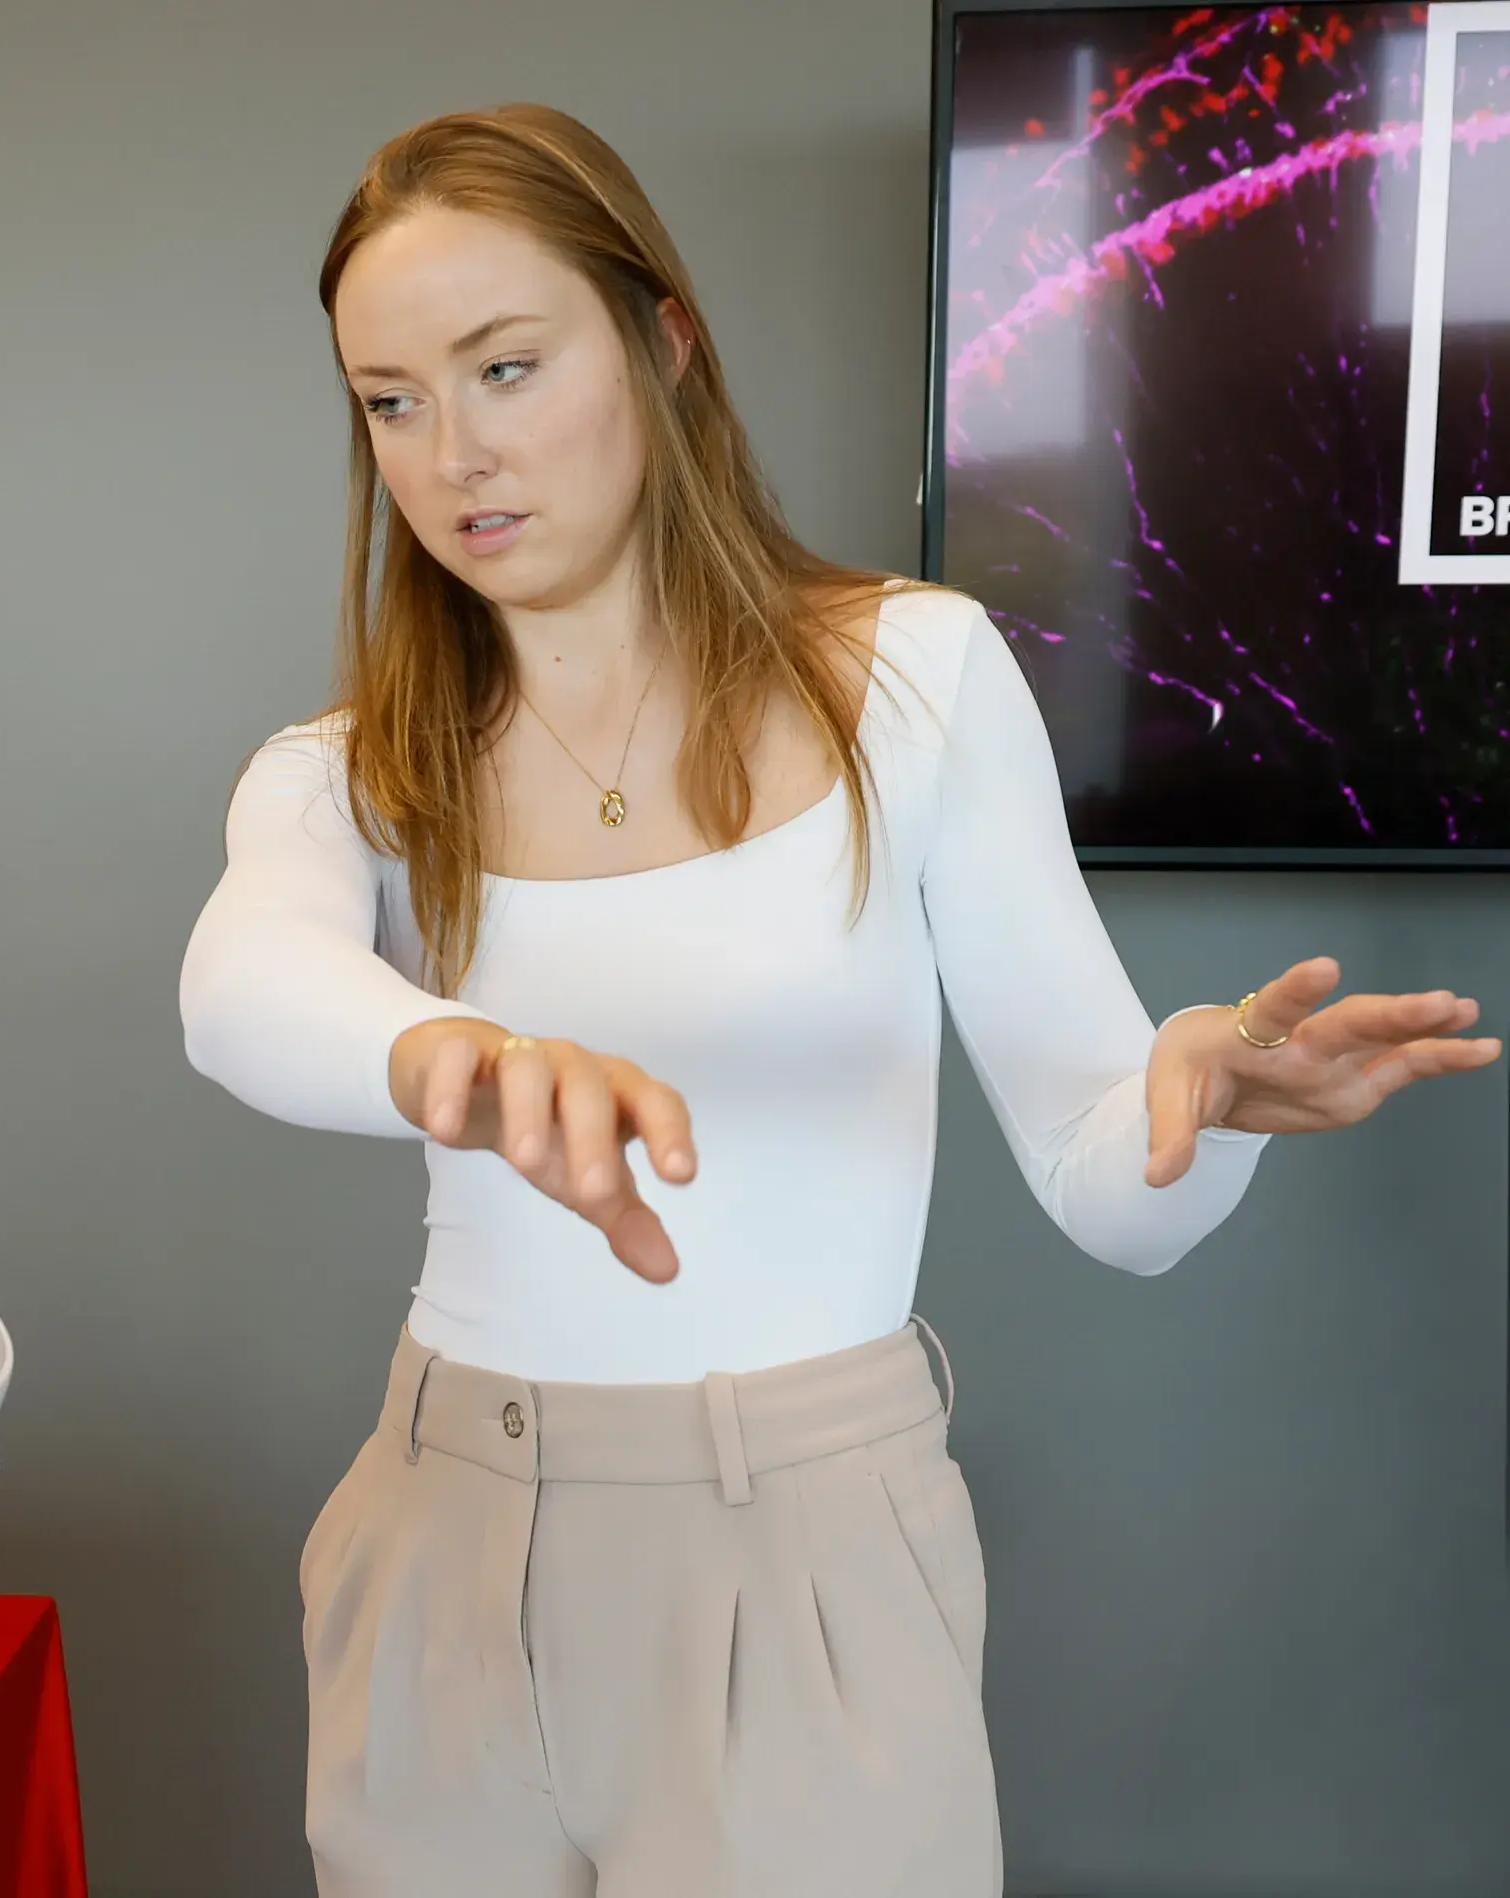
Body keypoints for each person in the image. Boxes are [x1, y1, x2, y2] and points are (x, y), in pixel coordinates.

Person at [177, 105, 1497, 1898]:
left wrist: (1208, 1095)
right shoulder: (346, 769)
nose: (452, 452)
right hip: (437, 1535)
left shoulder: (914, 677)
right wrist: (457, 1057)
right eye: (390, 399)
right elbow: (240, 986)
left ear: (660, 340)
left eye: (505, 365)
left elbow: (1113, 1189)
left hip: (798, 1545)